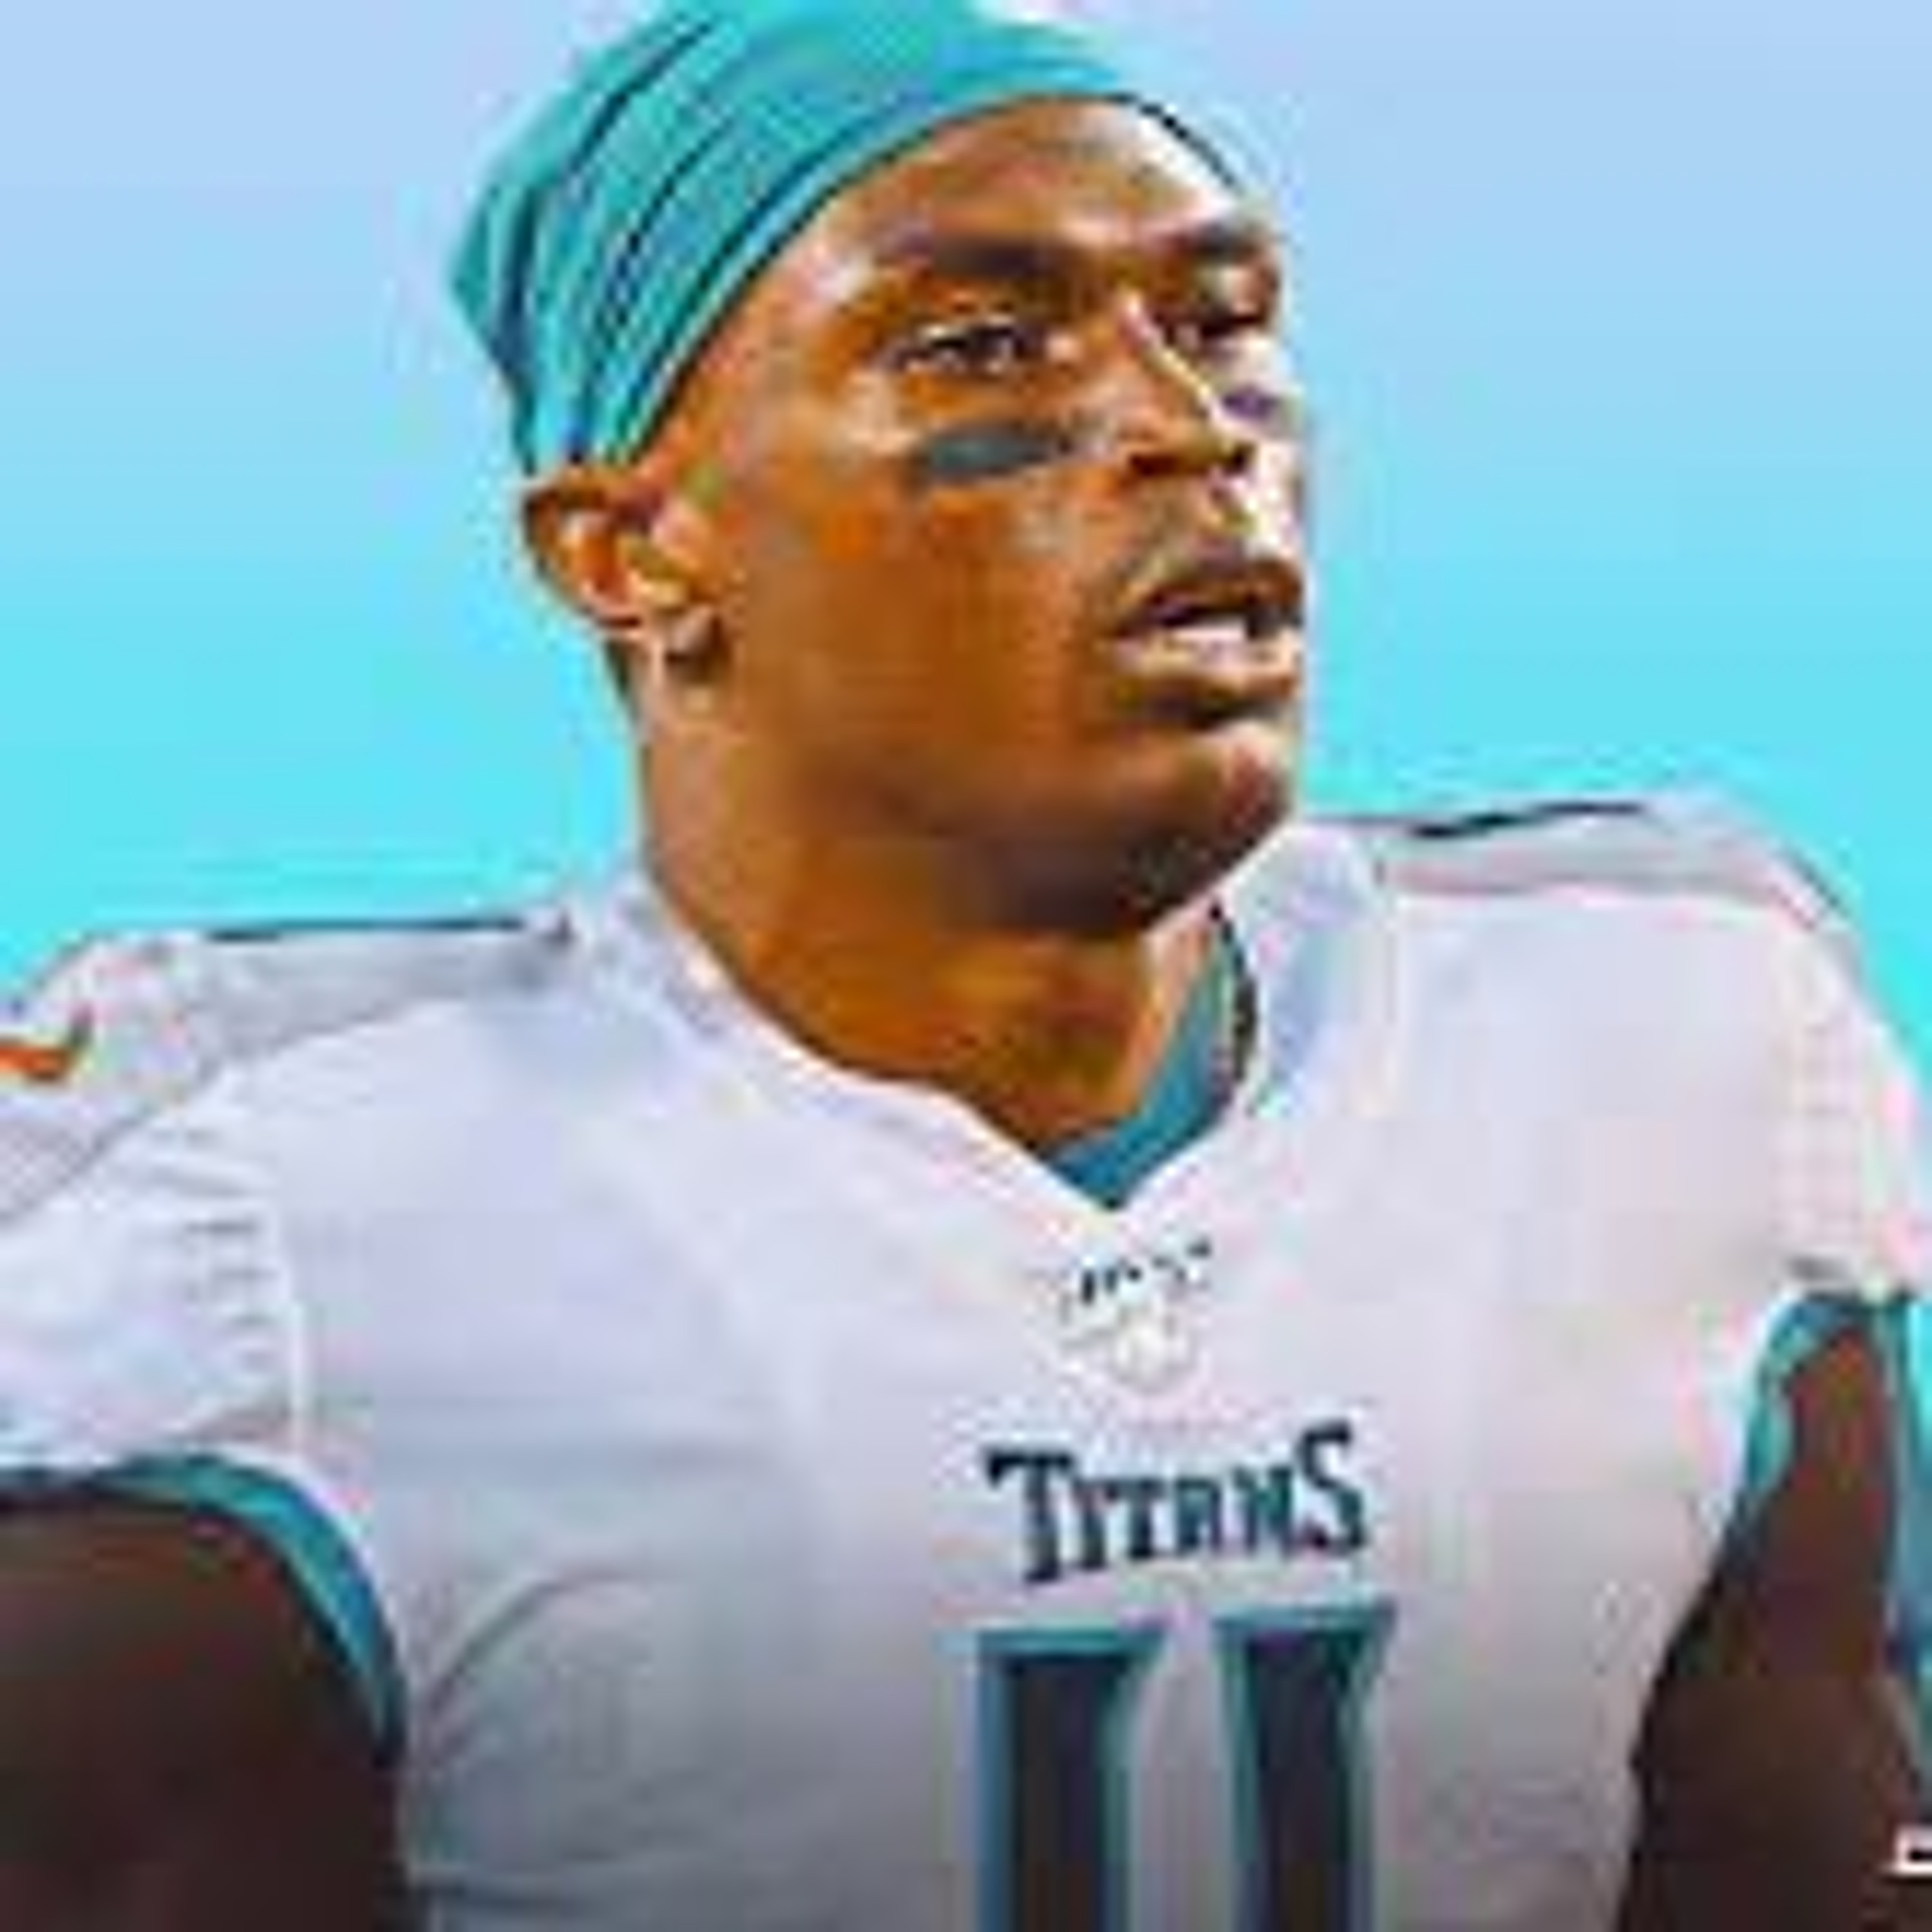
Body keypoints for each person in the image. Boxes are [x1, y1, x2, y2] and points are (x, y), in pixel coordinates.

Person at [0, 1, 1925, 1925]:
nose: (1190, 425)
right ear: (627, 552)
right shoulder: (265, 1211)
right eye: (985, 343)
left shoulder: (1678, 1032)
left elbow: (1850, 1862)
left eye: (1224, 321)